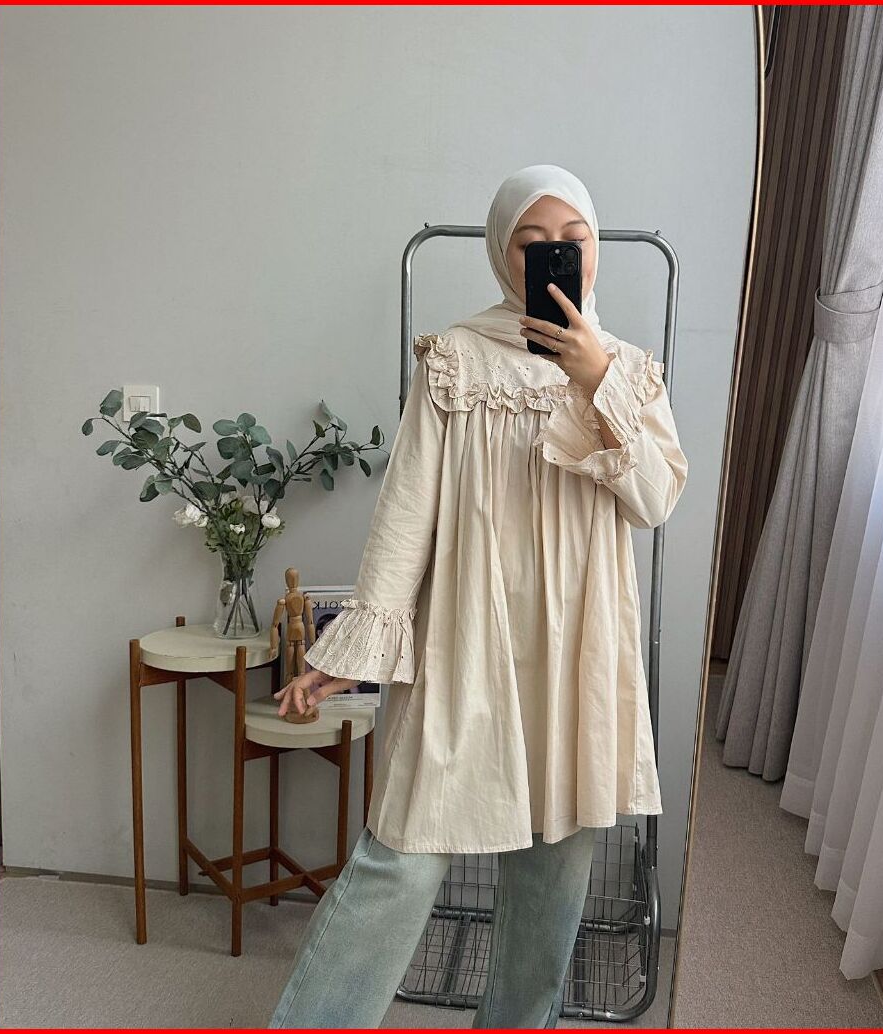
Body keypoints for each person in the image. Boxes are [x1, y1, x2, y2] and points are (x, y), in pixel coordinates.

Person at [267, 164, 688, 1028]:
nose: (556, 256)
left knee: (551, 888)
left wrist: (596, 377)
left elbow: (655, 500)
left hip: (577, 652)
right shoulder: (455, 361)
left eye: (573, 241)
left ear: (595, 250)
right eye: (533, 243)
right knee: (400, 858)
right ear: (503, 253)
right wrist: (350, 656)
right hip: (465, 641)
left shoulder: (631, 373)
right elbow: (406, 513)